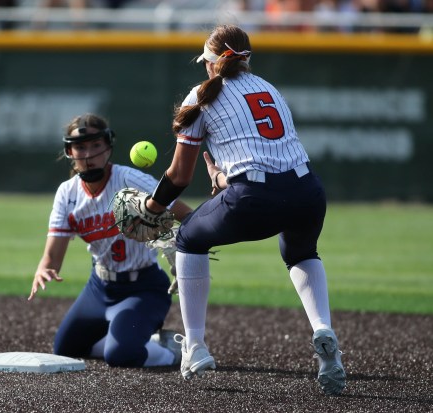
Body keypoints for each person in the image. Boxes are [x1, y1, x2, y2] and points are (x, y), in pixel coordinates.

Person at [135, 25, 346, 394]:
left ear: (212, 64)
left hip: (254, 198)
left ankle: (196, 346)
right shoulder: (269, 88)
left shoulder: (200, 95)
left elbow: (180, 176)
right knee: (300, 252)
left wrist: (153, 207)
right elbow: (270, 160)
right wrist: (219, 178)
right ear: (246, 59)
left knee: (188, 239)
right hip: (307, 191)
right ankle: (322, 328)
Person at [28, 113, 193, 368]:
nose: (88, 154)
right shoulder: (67, 193)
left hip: (144, 287)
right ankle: (130, 337)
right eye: (80, 147)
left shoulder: (128, 178)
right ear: (69, 151)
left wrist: (198, 233)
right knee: (65, 348)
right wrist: (44, 269)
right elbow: (52, 257)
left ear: (108, 146)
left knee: (121, 356)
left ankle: (170, 351)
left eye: (96, 145)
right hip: (99, 287)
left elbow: (178, 208)